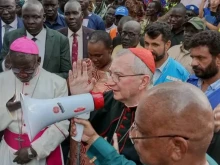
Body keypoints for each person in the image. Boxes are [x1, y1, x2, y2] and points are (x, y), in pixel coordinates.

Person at [72, 82, 218, 165]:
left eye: (141, 132)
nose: (131, 135)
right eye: (134, 126)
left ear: (177, 148)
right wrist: (92, 139)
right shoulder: (198, 158)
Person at [68, 47, 155, 165]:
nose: (109, 82)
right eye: (110, 74)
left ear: (143, 81)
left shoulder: (158, 117)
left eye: (118, 76)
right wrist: (79, 97)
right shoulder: (109, 97)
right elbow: (83, 128)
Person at [0, 37, 69, 165]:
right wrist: (12, 109)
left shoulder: (57, 83)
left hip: (43, 152)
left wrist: (35, 150)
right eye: (16, 69)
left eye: (28, 69)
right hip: (8, 152)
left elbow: (62, 124)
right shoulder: (2, 80)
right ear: (10, 62)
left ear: (38, 61)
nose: (22, 74)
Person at [69, 30, 113, 165]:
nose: (94, 59)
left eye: (98, 55)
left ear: (110, 50)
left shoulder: (117, 73)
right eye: (90, 54)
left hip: (100, 132)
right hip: (77, 132)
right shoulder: (84, 66)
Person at [0, 0, 71, 79]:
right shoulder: (10, 37)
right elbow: (1, 67)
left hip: (48, 89)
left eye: (35, 17)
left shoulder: (61, 40)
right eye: (26, 17)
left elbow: (66, 73)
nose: (30, 21)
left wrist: (41, 79)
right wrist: (6, 63)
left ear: (44, 17)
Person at [187, 30, 220, 163]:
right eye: (192, 57)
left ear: (218, 59)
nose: (193, 63)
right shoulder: (189, 82)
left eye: (201, 58)